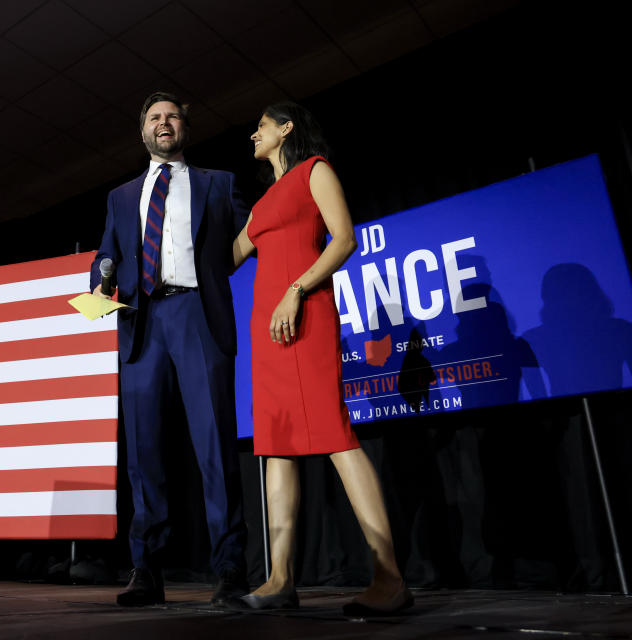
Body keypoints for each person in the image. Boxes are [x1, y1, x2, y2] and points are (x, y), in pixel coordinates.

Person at [231, 102, 412, 615]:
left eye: (261, 126)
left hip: (305, 316)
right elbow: (228, 258)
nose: (253, 134)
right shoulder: (261, 203)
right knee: (276, 445)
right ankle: (279, 581)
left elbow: (345, 239)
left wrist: (297, 288)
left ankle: (390, 578)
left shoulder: (316, 171)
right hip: (266, 333)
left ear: (286, 128)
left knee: (335, 436)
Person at [91, 91, 250, 607]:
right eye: (154, 118)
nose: (164, 123)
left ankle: (229, 570)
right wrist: (98, 281)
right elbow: (106, 254)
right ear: (143, 133)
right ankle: (147, 570)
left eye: (172, 116)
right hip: (141, 322)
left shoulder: (218, 184)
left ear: (186, 127)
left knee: (214, 446)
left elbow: (255, 233)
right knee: (145, 454)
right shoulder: (120, 196)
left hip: (197, 315)